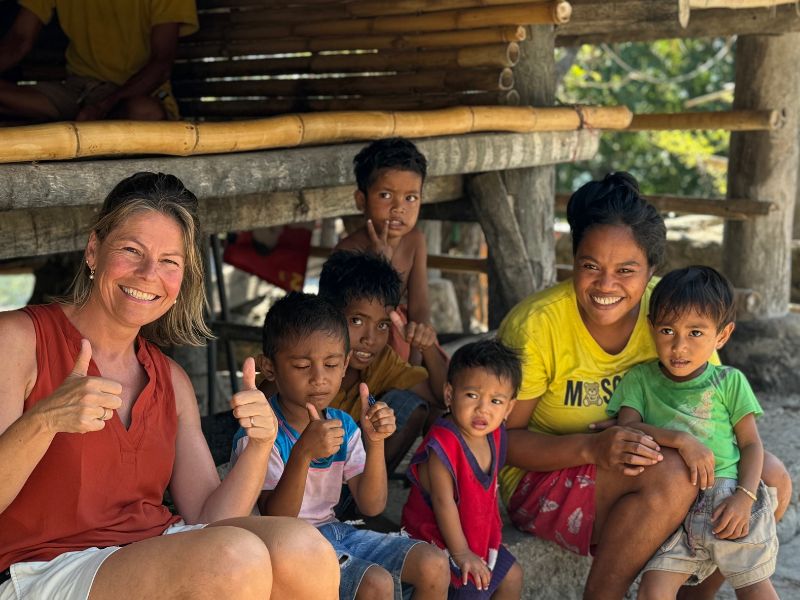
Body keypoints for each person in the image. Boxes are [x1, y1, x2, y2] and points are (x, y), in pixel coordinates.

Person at [0, 172, 339, 600]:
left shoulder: (170, 380)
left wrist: (259, 445)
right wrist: (44, 420)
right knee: (234, 556)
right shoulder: (16, 340)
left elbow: (208, 517)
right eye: (130, 250)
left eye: (168, 262)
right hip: (40, 569)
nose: (147, 274)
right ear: (93, 251)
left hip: (149, 550)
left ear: (181, 281)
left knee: (303, 547)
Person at [497, 172, 791, 599]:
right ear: (573, 260)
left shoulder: (674, 311)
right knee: (674, 473)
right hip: (544, 475)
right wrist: (591, 448)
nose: (606, 285)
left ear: (652, 270)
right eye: (590, 266)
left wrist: (739, 486)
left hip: (651, 462)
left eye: (627, 270)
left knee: (772, 480)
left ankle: (694, 595)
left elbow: (718, 416)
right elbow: (500, 441)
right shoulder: (538, 326)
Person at [231, 292, 450, 600]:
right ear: (269, 368)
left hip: (335, 532)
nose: (319, 378)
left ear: (346, 364)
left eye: (331, 364)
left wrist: (374, 443)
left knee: (434, 564)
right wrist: (303, 453)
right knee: (376, 584)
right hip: (286, 545)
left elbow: (372, 505)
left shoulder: (344, 425)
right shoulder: (261, 432)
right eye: (302, 365)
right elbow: (277, 518)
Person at [608, 266, 778, 599]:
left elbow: (752, 445)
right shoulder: (640, 380)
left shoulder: (729, 381)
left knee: (755, 590)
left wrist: (744, 498)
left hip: (727, 501)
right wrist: (679, 441)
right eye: (668, 330)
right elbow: (626, 429)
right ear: (651, 328)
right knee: (652, 591)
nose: (679, 346)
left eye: (696, 333)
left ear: (722, 335)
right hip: (674, 513)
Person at [402, 339, 524, 599]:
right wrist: (462, 554)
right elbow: (443, 501)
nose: (483, 409)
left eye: (496, 401)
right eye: (472, 395)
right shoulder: (443, 446)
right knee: (473, 588)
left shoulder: (496, 434)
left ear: (509, 408)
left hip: (476, 537)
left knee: (512, 574)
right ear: (449, 394)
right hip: (440, 543)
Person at [317, 249, 446, 472]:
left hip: (353, 483)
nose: (370, 339)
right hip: (300, 478)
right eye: (357, 321)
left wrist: (428, 348)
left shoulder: (381, 362)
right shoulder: (307, 360)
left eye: (382, 325)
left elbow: (443, 397)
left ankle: (363, 501)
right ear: (326, 313)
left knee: (411, 404)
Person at [335, 137, 445, 368]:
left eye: (410, 197)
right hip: (358, 347)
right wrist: (379, 264)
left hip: (400, 335)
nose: (399, 208)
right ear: (361, 200)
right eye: (385, 195)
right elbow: (348, 318)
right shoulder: (347, 250)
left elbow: (420, 308)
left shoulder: (415, 240)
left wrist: (417, 355)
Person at [0, 0, 197, 121]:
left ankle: (93, 125)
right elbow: (19, 40)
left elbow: (161, 64)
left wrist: (102, 107)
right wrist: (90, 109)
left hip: (130, 97)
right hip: (76, 93)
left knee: (146, 111)